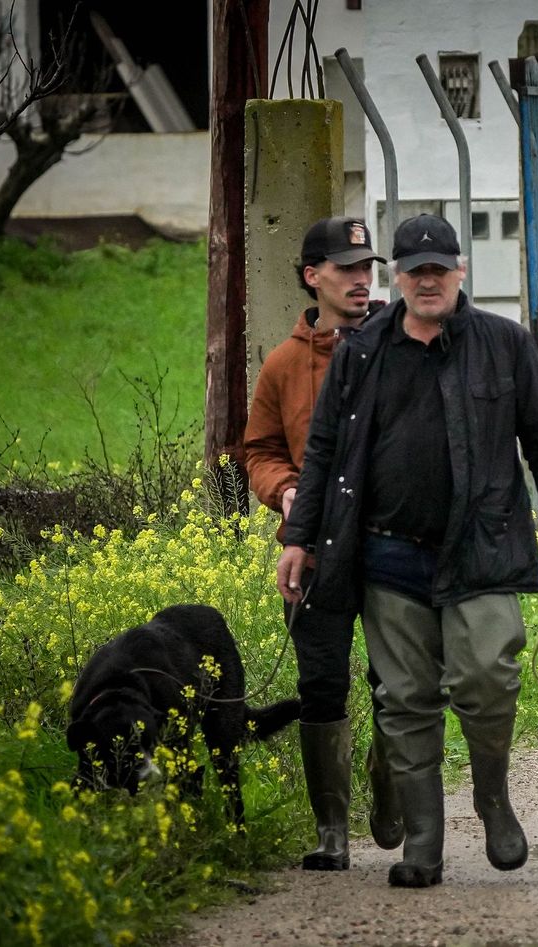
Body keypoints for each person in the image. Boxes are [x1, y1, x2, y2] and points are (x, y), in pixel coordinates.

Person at [277, 213, 538, 888]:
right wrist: (300, 538)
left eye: (438, 270)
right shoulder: (359, 352)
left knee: (487, 677)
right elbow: (324, 450)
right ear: (398, 275)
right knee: (406, 698)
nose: (427, 282)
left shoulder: (505, 345)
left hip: (480, 548)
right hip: (388, 555)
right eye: (415, 271)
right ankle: (423, 841)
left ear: (460, 272)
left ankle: (493, 796)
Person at [243, 215, 397, 870]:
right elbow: (259, 449)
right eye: (348, 268)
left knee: (399, 681)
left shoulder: (403, 346)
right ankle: (332, 830)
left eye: (368, 268)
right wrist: (283, 490)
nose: (363, 279)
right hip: (315, 551)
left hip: (393, 547)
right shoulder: (282, 364)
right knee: (322, 684)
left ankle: (390, 784)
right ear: (313, 276)